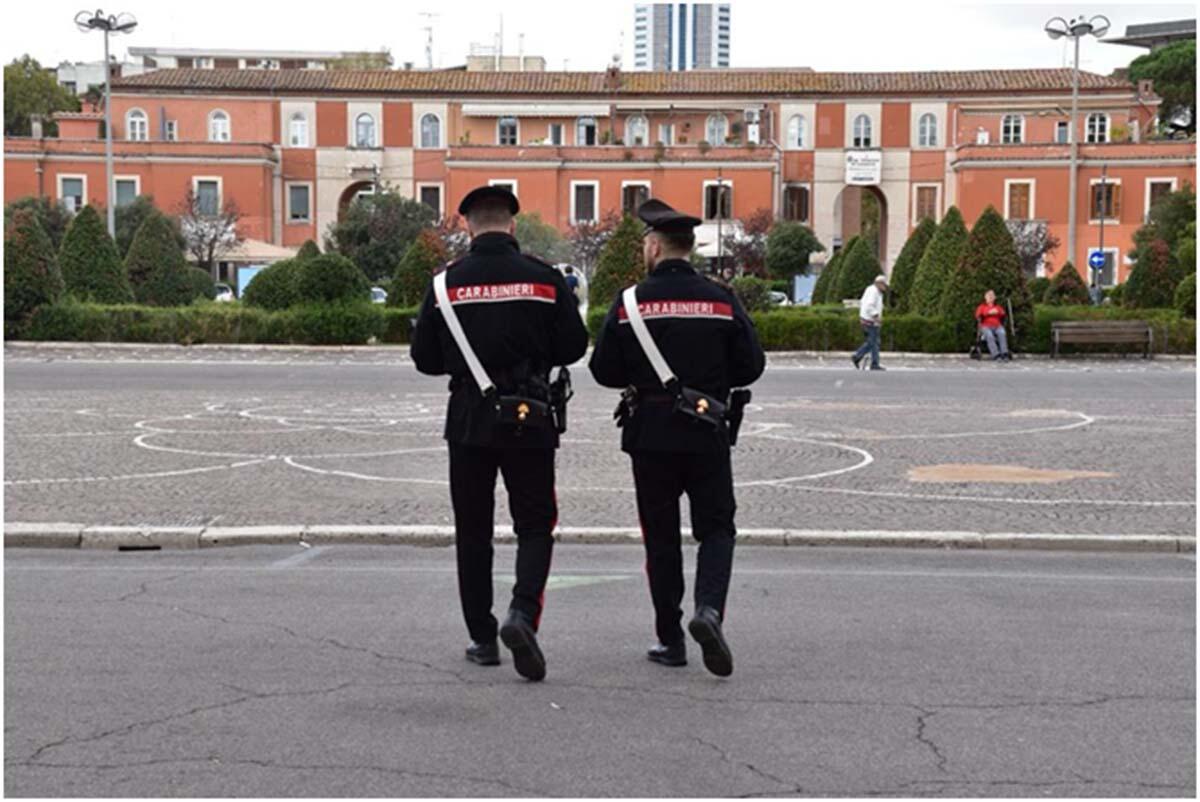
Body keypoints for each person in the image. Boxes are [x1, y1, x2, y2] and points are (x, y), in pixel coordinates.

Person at [411, 185, 589, 682]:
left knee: (473, 530)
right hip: (530, 415)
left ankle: (482, 638)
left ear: (468, 226)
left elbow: (425, 359)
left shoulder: (444, 284)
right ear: (512, 224)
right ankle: (523, 614)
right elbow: (573, 347)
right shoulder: (544, 277)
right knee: (535, 523)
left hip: (469, 418)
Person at [589, 198, 766, 677]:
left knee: (661, 537)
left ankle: (670, 639)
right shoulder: (722, 299)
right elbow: (751, 365)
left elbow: (603, 370)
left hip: (650, 434)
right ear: (690, 247)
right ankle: (709, 611)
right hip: (707, 431)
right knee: (718, 528)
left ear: (653, 246)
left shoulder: (630, 302)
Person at [852, 275, 888, 371]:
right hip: (870, 321)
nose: (885, 287)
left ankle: (873, 362)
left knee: (874, 342)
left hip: (867, 320)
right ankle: (858, 356)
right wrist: (876, 316)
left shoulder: (872, 290)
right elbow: (869, 306)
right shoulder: (874, 292)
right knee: (873, 342)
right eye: (884, 285)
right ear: (879, 283)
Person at [975, 290, 1011, 361]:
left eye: (992, 296)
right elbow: (977, 315)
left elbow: (1003, 314)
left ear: (994, 298)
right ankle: (996, 354)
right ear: (985, 298)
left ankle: (1004, 353)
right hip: (985, 326)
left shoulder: (998, 307)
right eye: (989, 296)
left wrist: (997, 312)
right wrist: (988, 313)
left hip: (997, 326)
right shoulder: (982, 307)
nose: (991, 298)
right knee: (989, 335)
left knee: (1002, 333)